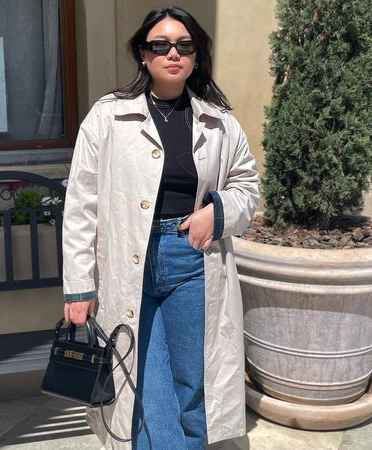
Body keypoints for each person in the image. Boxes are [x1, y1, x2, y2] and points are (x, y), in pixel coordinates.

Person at [62, 6, 259, 450]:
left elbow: (247, 185)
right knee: (142, 381)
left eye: (184, 45)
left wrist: (217, 210)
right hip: (125, 264)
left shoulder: (220, 121)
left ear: (196, 56)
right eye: (161, 45)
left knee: (192, 382)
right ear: (143, 53)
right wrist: (78, 287)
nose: (173, 53)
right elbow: (81, 203)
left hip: (192, 257)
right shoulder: (107, 117)